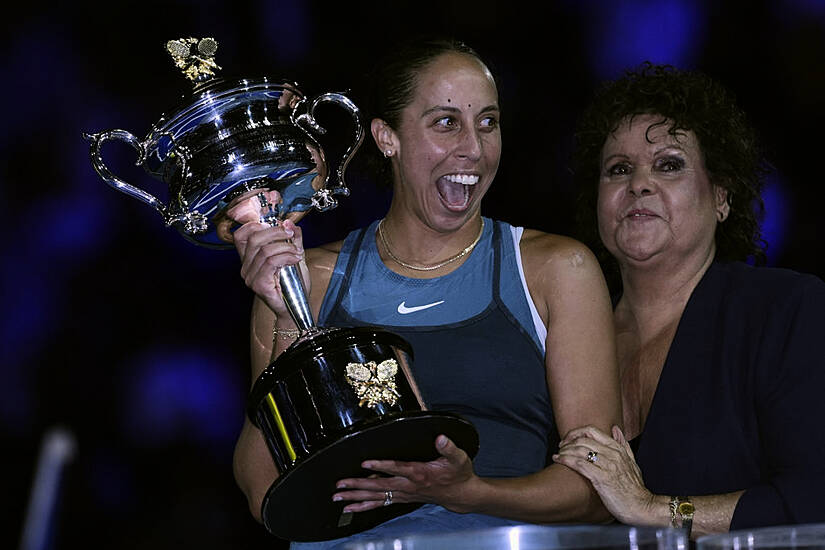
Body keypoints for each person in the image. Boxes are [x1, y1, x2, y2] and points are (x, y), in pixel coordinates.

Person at [228, 38, 622, 548]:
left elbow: (599, 488)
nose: (474, 149)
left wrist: (471, 492)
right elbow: (263, 489)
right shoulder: (310, 279)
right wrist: (284, 312)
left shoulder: (556, 270)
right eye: (445, 122)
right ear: (387, 137)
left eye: (488, 122)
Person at [553, 62, 825, 539]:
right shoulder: (561, 332)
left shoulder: (788, 310)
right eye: (618, 170)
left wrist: (653, 509)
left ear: (721, 196)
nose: (638, 183)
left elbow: (814, 499)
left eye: (669, 164)